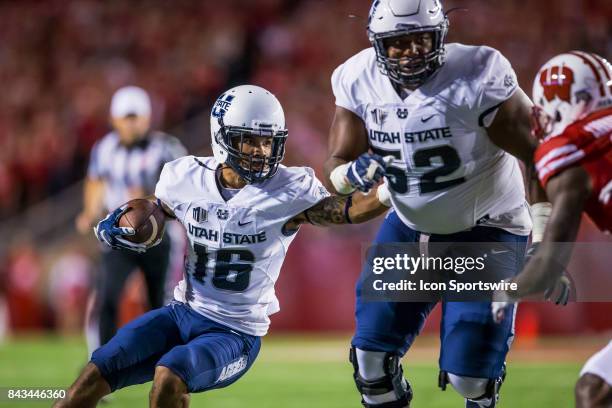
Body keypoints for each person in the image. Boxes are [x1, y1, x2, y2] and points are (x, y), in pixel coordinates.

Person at [55, 84, 389, 407]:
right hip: (182, 312)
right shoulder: (185, 177)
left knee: (169, 377)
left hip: (235, 332)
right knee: (86, 383)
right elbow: (157, 210)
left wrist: (389, 190)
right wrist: (124, 222)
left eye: (268, 141)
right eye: (250, 141)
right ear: (222, 139)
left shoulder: (290, 189)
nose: (261, 151)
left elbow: (345, 211)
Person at [324, 1, 549, 407]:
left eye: (421, 39)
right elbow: (337, 165)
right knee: (370, 361)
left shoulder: (478, 73)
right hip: (410, 227)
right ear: (377, 44)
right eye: (398, 42)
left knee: (470, 379)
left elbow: (538, 154)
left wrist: (545, 238)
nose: (411, 50)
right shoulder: (357, 78)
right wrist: (348, 177)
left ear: (440, 35)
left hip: (488, 228)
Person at [492, 51, 612, 408]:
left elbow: (549, 265)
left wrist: (509, 289)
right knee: (596, 390)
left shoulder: (569, 149)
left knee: (594, 392)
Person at [76, 86, 187, 355]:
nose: (132, 123)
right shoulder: (104, 149)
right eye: (126, 117)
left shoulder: (167, 148)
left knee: (158, 303)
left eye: (136, 117)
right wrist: (89, 211)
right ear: (114, 119)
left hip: (158, 236)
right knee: (107, 298)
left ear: (148, 117)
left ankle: (164, 365)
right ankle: (102, 365)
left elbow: (184, 188)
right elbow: (95, 180)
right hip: (118, 237)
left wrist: (146, 200)